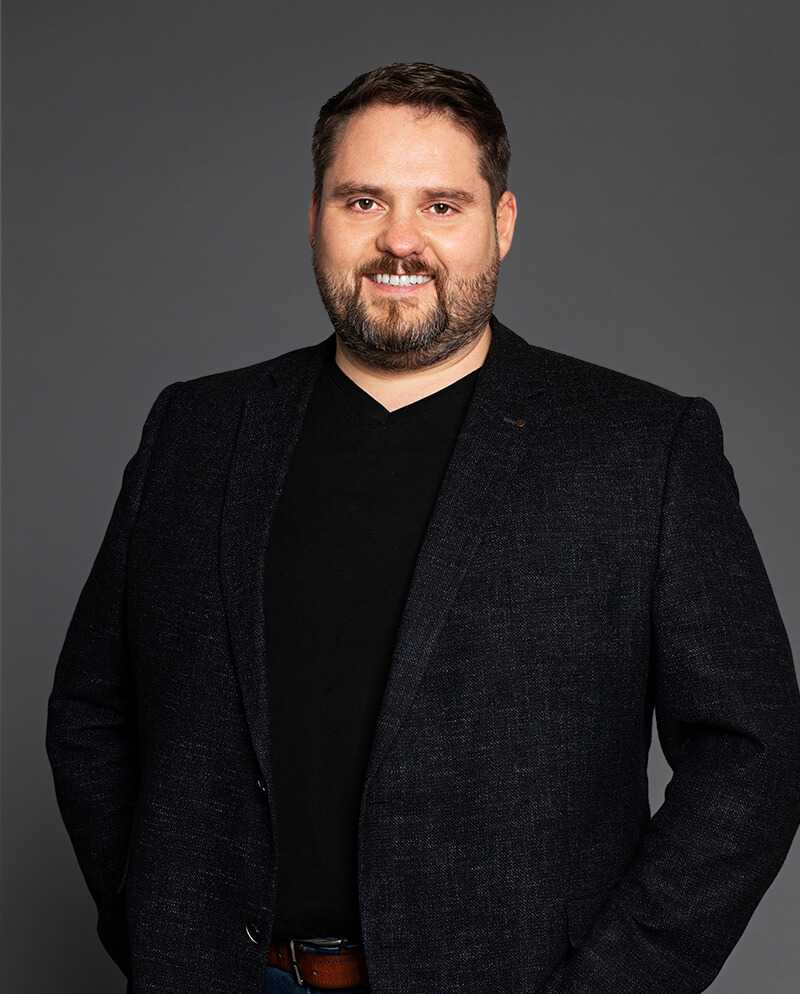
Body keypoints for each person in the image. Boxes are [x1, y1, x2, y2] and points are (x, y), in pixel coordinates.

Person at [46, 62, 800, 994]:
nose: (399, 240)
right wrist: (153, 920)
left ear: (503, 224)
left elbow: (755, 755)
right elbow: (92, 709)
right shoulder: (196, 432)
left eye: (442, 205)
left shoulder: (643, 448)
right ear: (314, 215)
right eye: (363, 200)